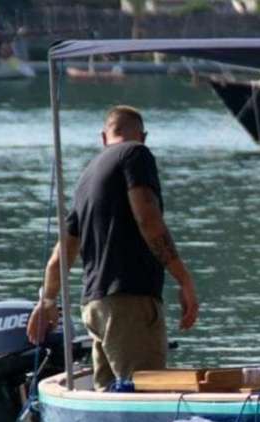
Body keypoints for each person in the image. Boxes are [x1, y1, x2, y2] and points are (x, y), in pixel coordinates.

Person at [27, 105, 199, 390]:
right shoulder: (136, 153)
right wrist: (184, 279)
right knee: (145, 392)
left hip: (95, 306)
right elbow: (148, 218)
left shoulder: (88, 175)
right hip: (129, 301)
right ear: (143, 136)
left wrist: (47, 299)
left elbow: (63, 252)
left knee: (110, 394)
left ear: (103, 137)